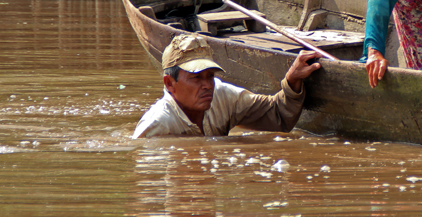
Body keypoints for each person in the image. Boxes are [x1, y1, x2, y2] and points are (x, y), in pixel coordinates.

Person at [133, 33, 321, 138]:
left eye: (210, 76)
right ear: (169, 83)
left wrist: (292, 81)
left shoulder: (223, 96)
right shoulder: (158, 124)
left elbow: (276, 115)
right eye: (196, 77)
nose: (207, 85)